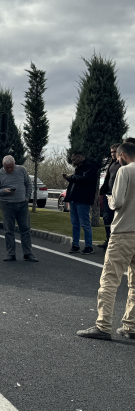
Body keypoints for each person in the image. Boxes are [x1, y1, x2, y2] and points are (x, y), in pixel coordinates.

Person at [77, 142, 135, 340]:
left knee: (109, 281)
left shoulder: (125, 172)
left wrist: (109, 198)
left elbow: (117, 201)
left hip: (123, 232)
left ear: (122, 155)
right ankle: (131, 325)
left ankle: (103, 325)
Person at [0, 155, 38, 262]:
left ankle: (28, 253)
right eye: (7, 168)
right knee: (9, 230)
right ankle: (11, 254)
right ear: (3, 166)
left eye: (11, 167)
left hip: (22, 204)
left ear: (14, 163)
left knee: (25, 229)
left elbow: (28, 184)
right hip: (7, 205)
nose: (10, 169)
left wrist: (27, 198)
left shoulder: (21, 170)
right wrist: (3, 191)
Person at [63, 151, 100, 255]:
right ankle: (75, 245)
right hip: (74, 197)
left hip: (83, 198)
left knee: (85, 223)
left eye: (74, 159)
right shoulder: (79, 167)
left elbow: (86, 179)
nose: (73, 162)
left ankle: (89, 246)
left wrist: (72, 177)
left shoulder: (90, 166)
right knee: (75, 223)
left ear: (80, 157)